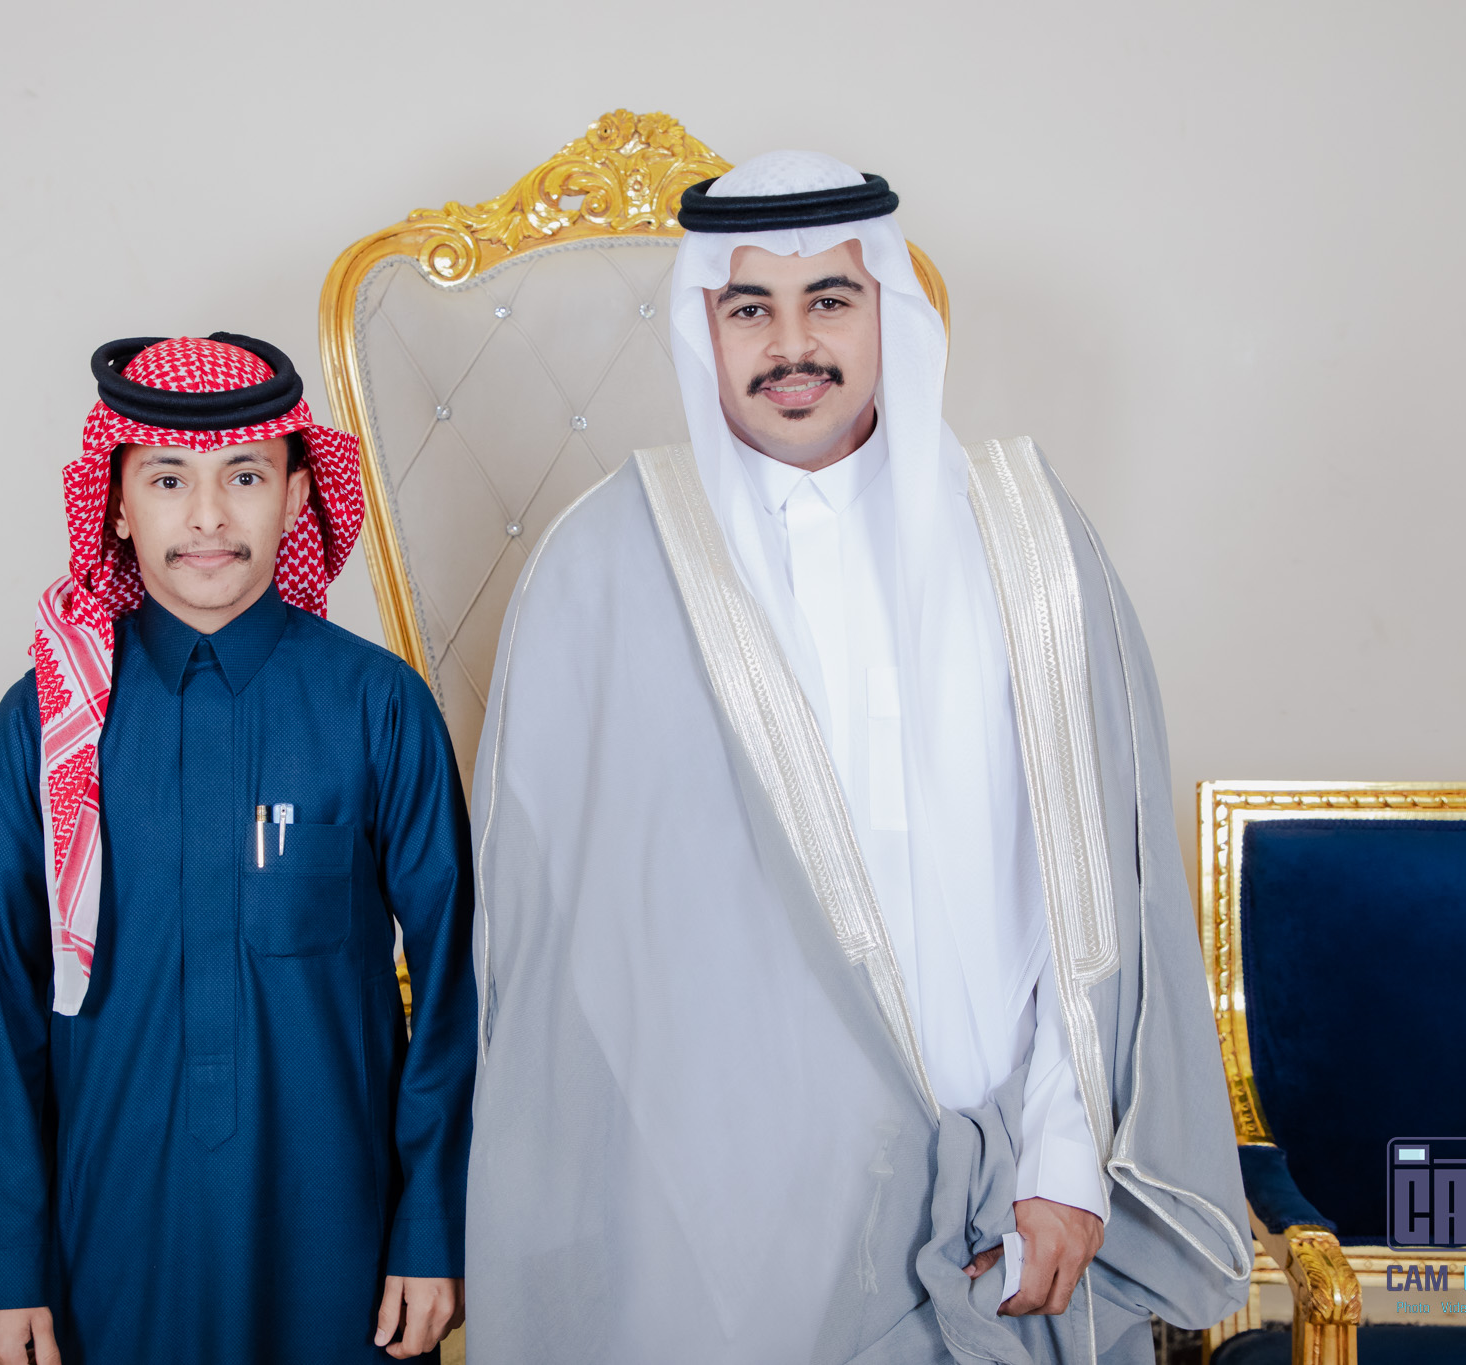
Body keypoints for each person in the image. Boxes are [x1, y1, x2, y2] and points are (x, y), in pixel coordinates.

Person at [465, 153, 1251, 1363]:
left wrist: (1059, 1161)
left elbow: (1097, 904)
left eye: (828, 300)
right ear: (703, 329)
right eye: (749, 309)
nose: (792, 345)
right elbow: (557, 962)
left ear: (888, 308)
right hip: (716, 1222)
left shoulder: (1027, 547)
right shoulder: (604, 566)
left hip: (1001, 1187)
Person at [0, 333, 475, 1364]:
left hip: (339, 1239)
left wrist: (431, 1228)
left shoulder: (379, 706)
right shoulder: (47, 722)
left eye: (243, 476)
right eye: (166, 480)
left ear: (295, 495)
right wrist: (1, 1265)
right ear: (115, 505)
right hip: (107, 1240)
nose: (206, 518)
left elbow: (457, 983)